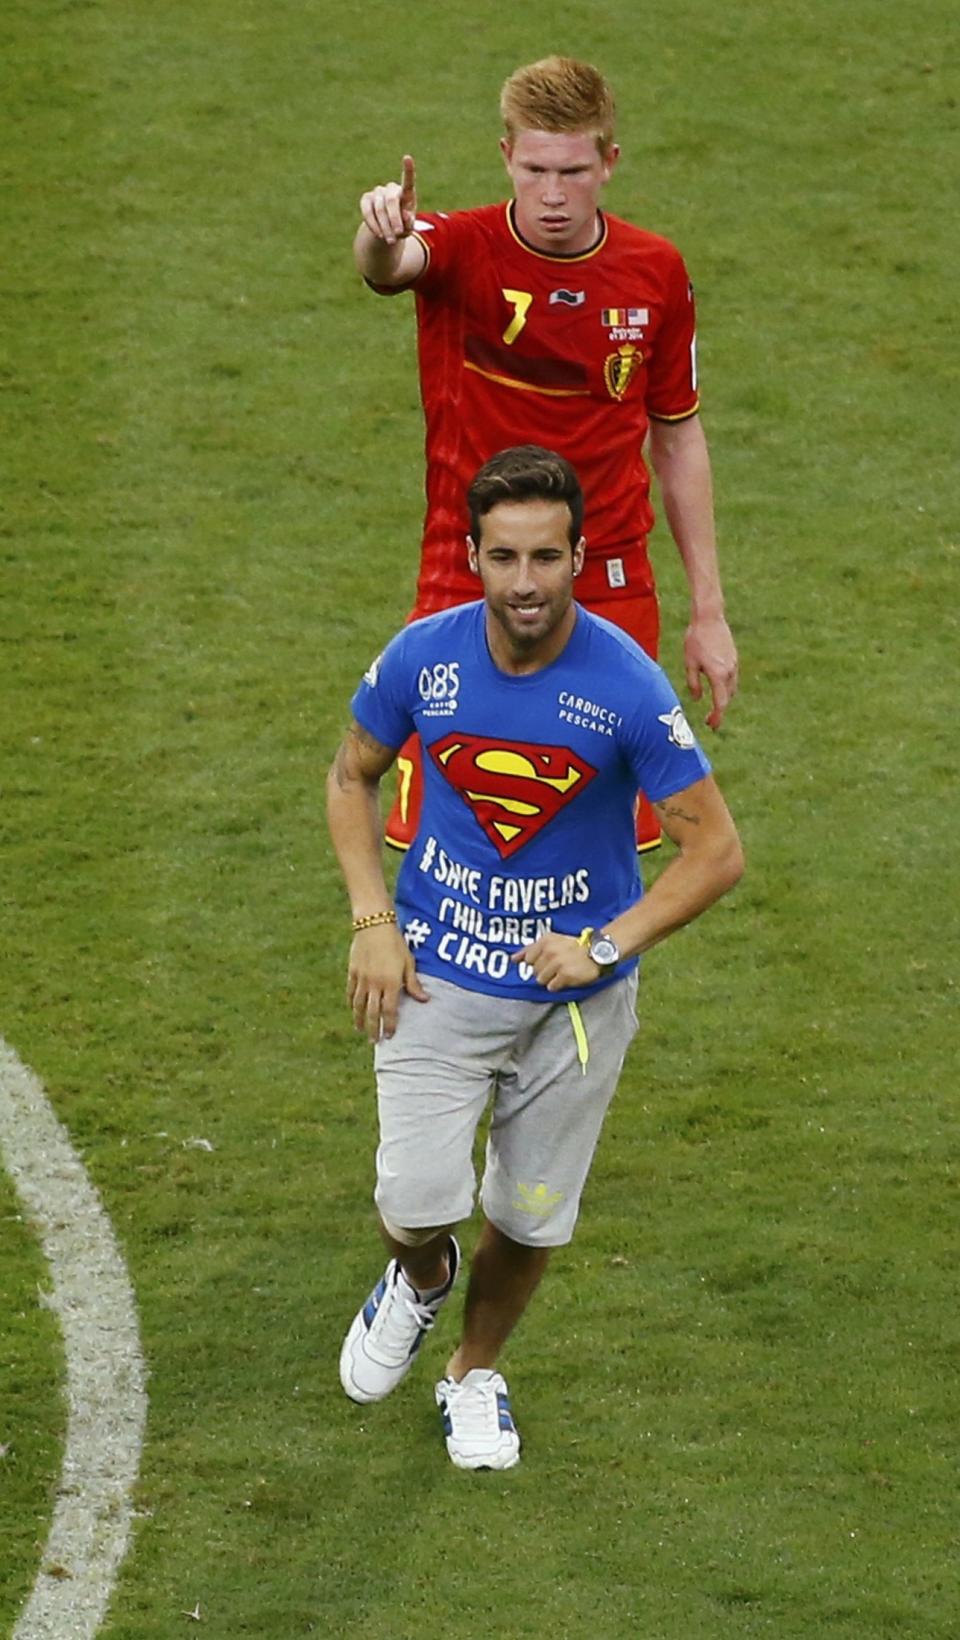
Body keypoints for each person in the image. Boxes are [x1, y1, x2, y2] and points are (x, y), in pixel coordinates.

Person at [326, 446, 743, 1470]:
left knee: (531, 1211)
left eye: (546, 557)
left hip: (576, 1008)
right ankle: (421, 1278)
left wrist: (606, 942)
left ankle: (473, 1371)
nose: (524, 582)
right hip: (439, 977)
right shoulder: (424, 657)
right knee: (413, 1201)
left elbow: (717, 849)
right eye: (504, 556)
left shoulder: (628, 688)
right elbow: (350, 776)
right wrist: (372, 917)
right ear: (471, 552)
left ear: (578, 555)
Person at [353, 54, 738, 854]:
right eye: (534, 170)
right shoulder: (461, 247)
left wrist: (709, 612)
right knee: (448, 832)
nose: (553, 194)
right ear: (506, 159)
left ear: (609, 163)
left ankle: (588, 978)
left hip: (609, 578)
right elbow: (390, 267)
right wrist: (379, 227)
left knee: (602, 838)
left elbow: (677, 434)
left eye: (572, 170)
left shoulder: (655, 272)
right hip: (469, 569)